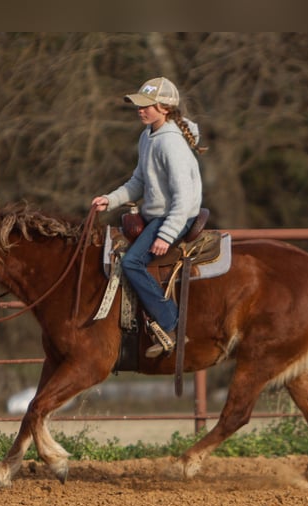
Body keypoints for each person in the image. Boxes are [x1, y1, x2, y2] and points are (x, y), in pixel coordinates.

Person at [92, 77, 205, 358]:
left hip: (176, 216)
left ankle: (170, 324)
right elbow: (138, 182)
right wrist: (111, 199)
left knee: (132, 262)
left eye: (147, 106)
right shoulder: (148, 137)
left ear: (165, 108)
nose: (140, 111)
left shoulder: (171, 145)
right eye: (139, 106)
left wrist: (166, 234)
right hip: (159, 214)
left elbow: (185, 197)